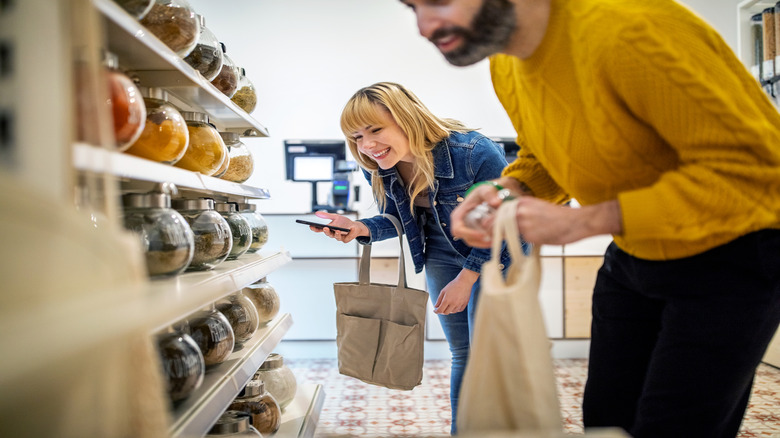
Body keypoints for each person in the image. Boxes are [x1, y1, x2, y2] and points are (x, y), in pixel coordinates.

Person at [397, 0, 780, 437]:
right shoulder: (507, 62)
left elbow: (758, 172)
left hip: (733, 256)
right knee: (607, 421)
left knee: (675, 425)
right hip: (637, 253)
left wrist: (586, 221)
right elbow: (544, 155)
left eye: (438, 1)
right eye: (413, 8)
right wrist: (506, 190)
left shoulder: (633, 31)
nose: (425, 26)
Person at [308, 81, 511, 433]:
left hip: (495, 254)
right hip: (441, 256)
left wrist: (467, 277)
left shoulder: (474, 153)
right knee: (464, 353)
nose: (367, 145)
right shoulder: (379, 164)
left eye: (375, 130)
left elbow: (507, 226)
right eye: (357, 137)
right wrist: (357, 227)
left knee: (487, 354)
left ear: (407, 118)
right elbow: (397, 221)